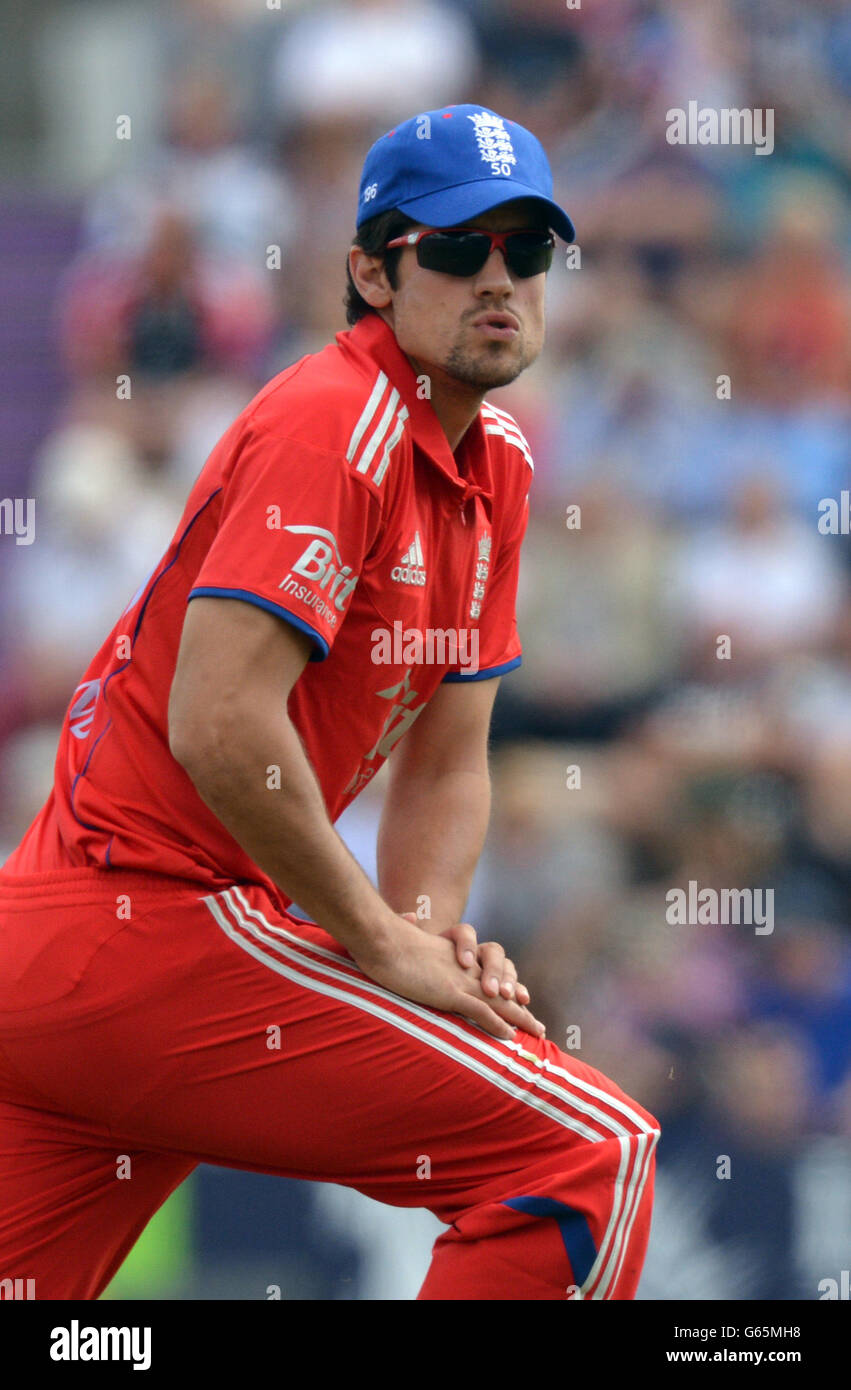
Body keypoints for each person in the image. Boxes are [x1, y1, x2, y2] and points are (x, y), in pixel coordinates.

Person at [0, 105, 659, 1300]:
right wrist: (375, 937)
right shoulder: (334, 421)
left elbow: (451, 758)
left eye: (529, 249)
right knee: (590, 1154)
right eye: (457, 249)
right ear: (370, 267)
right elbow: (217, 724)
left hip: (77, 950)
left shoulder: (495, 459)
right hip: (151, 923)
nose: (498, 277)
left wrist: (427, 940)